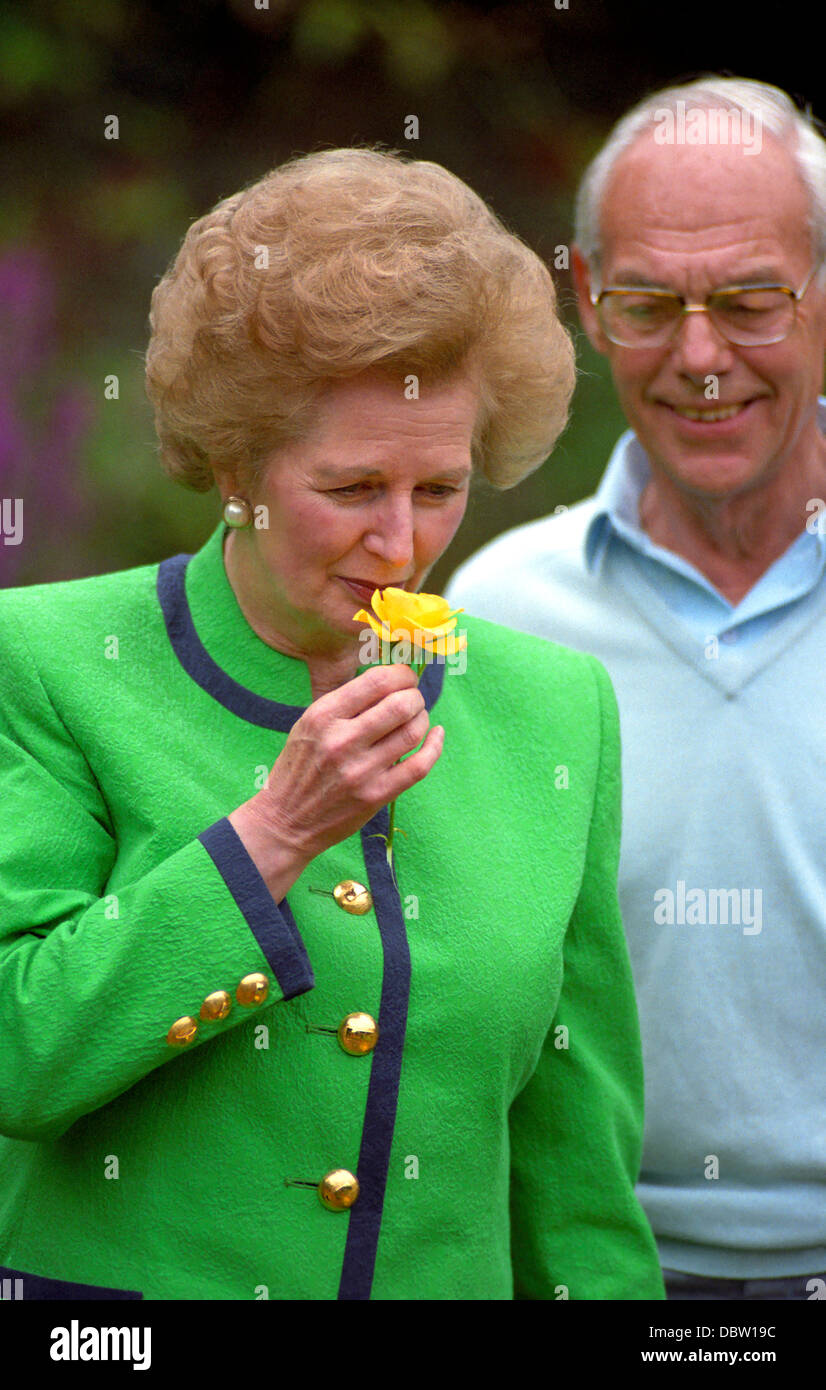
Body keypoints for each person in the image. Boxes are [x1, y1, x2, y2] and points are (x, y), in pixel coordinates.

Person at [0, 148, 663, 1301]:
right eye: (352, 489)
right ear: (236, 463)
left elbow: (576, 1173)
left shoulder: (559, 710)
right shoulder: (49, 664)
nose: (401, 543)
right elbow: (22, 1056)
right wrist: (269, 836)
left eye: (441, 489)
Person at [445, 77, 826, 1301]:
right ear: (585, 302)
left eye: (753, 299)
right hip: (582, 1265)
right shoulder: (499, 617)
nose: (700, 357)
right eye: (649, 303)